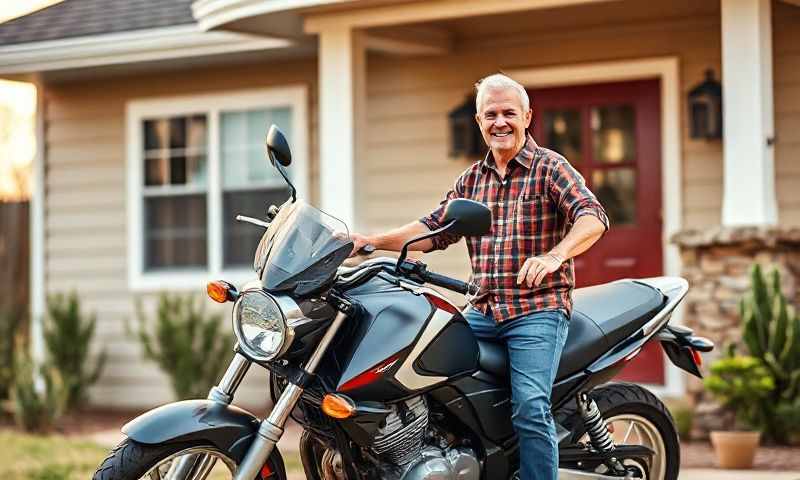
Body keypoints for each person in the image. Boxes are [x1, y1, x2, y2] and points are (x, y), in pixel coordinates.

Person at [349, 73, 609, 480]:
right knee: (422, 373)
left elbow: (593, 218)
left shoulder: (550, 168)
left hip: (536, 310)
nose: (500, 122)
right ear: (478, 120)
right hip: (483, 312)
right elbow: (433, 230)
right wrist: (370, 241)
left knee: (529, 406)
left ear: (527, 117)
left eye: (509, 113)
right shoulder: (471, 180)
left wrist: (555, 256)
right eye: (491, 114)